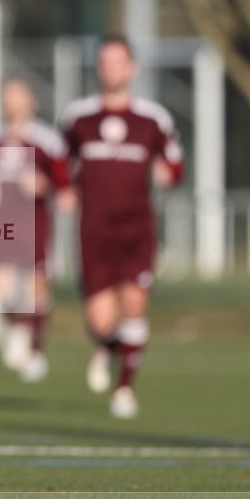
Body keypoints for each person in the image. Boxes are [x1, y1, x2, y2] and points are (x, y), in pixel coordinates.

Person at [59, 35, 183, 418]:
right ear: (99, 68)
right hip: (94, 229)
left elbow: (175, 163)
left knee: (134, 304)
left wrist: (169, 174)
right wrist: (64, 189)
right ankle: (107, 348)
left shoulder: (153, 118)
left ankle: (125, 389)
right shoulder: (78, 116)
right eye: (105, 61)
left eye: (118, 61)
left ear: (132, 68)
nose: (111, 68)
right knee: (100, 320)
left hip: (137, 229)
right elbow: (60, 160)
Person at [0, 79, 72, 382]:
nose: (11, 103)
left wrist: (44, 186)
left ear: (31, 101)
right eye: (7, 97)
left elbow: (65, 188)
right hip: (4, 229)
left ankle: (34, 350)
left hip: (36, 229)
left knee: (36, 291)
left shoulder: (47, 140)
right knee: (4, 288)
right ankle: (17, 329)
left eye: (18, 96)